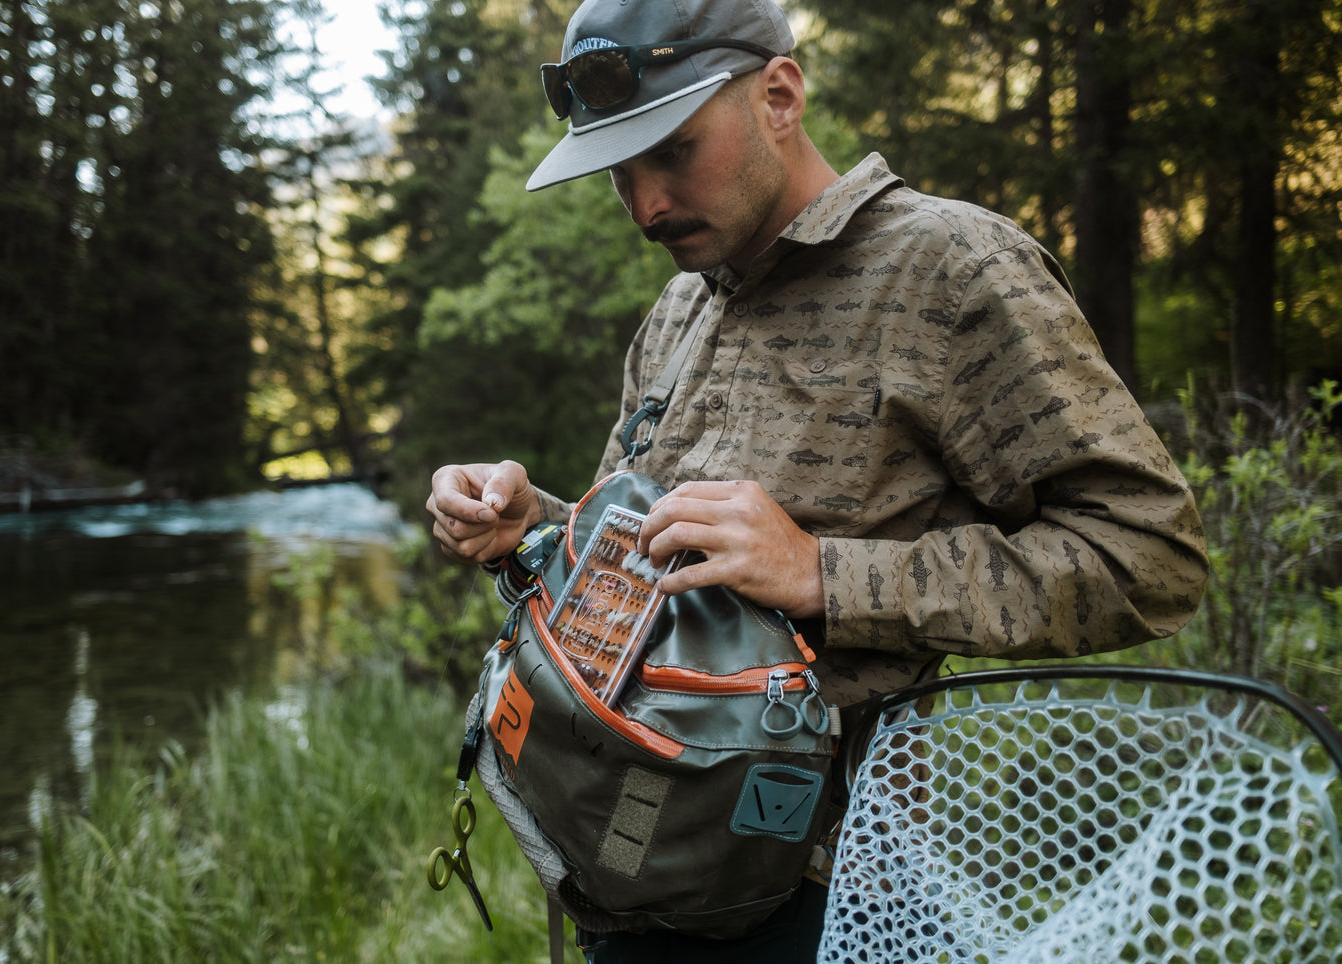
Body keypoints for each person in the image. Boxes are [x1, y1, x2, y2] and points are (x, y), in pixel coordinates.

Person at [427, 0, 1209, 959]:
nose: (644, 206)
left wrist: (823, 575)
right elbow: (638, 569)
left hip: (832, 906)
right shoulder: (680, 308)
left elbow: (1150, 556)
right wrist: (533, 528)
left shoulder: (952, 272)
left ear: (780, 95)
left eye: (670, 151)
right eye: (617, 172)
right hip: (629, 881)